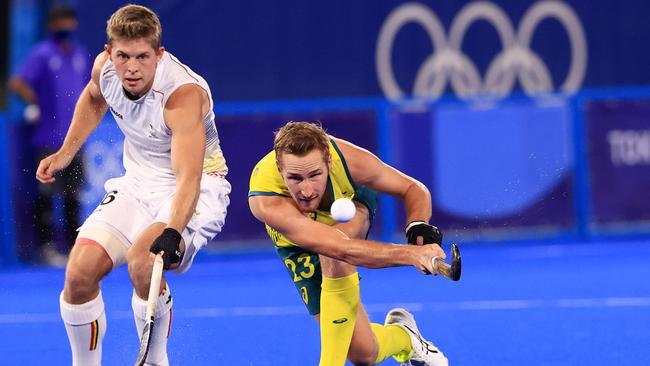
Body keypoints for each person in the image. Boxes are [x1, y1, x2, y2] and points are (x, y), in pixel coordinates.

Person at [35, 5, 230, 365]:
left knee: (144, 261)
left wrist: (172, 231)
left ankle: (155, 362)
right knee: (79, 273)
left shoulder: (182, 96)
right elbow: (95, 98)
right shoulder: (104, 69)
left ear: (159, 54)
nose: (132, 67)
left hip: (197, 188)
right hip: (137, 183)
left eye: (142, 56)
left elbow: (189, 177)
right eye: (122, 56)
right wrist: (65, 153)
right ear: (109, 52)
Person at [248, 121, 449, 366]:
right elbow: (339, 247)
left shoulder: (351, 160)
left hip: (354, 209)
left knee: (331, 255)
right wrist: (411, 254)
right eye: (295, 178)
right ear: (280, 169)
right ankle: (405, 337)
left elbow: (412, 188)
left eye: (315, 175)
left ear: (328, 163)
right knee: (364, 354)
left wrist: (417, 224)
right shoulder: (265, 199)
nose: (307, 190)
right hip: (297, 242)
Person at [9, 4, 91, 266]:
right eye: (61, 22)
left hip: (76, 139)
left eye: (70, 21)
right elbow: (17, 82)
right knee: (46, 194)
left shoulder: (80, 54)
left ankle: (72, 248)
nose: (66, 27)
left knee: (73, 194)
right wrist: (36, 101)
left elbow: (92, 89)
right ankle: (46, 248)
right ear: (52, 26)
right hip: (48, 139)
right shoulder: (43, 53)